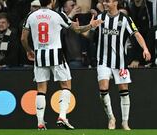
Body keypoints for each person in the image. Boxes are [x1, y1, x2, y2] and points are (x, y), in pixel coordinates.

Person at [21, 0, 102, 130]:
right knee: (66, 85)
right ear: (52, 1)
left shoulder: (31, 16)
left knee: (41, 89)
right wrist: (91, 26)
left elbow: (23, 38)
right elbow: (77, 30)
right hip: (56, 55)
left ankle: (40, 123)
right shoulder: (57, 15)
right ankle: (62, 116)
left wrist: (28, 50)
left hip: (39, 55)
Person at [95, 0, 151, 130]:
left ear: (115, 3)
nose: (104, 3)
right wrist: (82, 28)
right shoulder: (100, 17)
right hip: (103, 60)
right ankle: (111, 118)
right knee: (103, 89)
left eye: (107, 1)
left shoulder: (125, 19)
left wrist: (145, 48)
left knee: (124, 91)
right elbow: (89, 31)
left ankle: (125, 122)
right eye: (104, 1)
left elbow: (136, 33)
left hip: (120, 62)